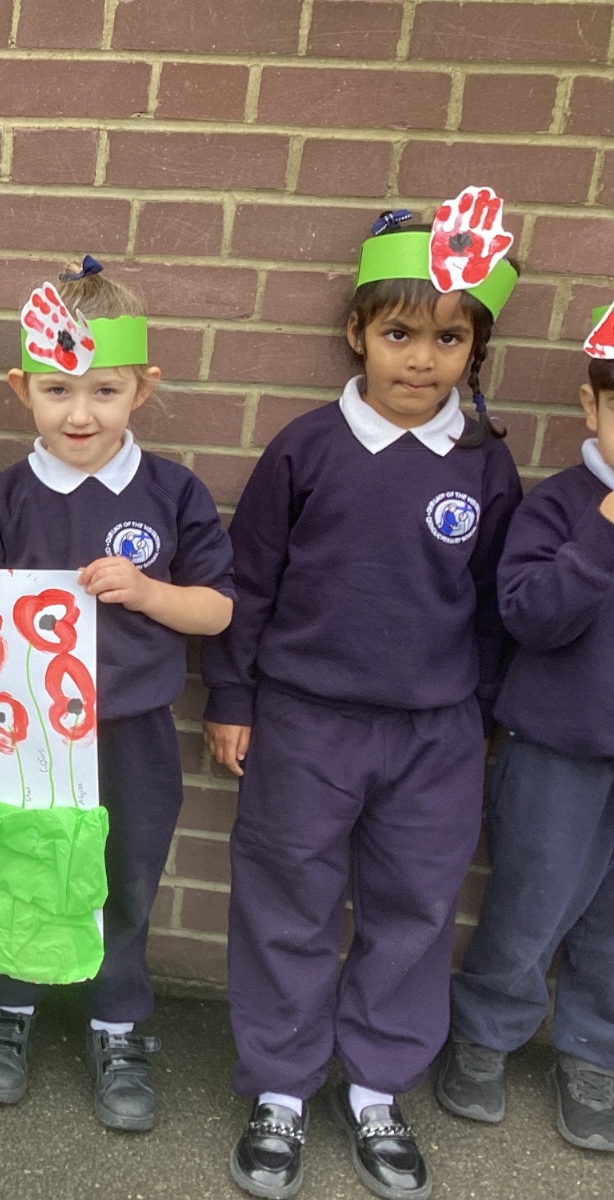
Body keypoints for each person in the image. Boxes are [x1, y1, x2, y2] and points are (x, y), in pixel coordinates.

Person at [202, 190, 524, 1200]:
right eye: (399, 334)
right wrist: (232, 697)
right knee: (285, 902)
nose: (420, 360)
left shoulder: (484, 463)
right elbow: (249, 585)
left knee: (414, 908)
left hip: (434, 734)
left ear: (473, 349)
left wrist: (482, 716)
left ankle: (377, 1087)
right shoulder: (305, 449)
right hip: (305, 724)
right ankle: (280, 1089)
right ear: (357, 334)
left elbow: (491, 604)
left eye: (447, 339)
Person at [0, 259, 233, 1122]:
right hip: (22, 734)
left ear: (143, 388)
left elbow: (218, 610)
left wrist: (147, 592)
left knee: (125, 875)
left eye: (105, 391)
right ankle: (7, 1010)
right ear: (21, 389)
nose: (81, 413)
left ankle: (118, 1024)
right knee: (17, 865)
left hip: (130, 731)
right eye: (57, 390)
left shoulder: (173, 492)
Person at [435, 305, 614, 1154]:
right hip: (557, 751)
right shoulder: (562, 509)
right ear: (592, 407)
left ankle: (595, 1051)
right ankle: (486, 1033)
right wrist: (604, 535)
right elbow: (531, 618)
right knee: (532, 901)